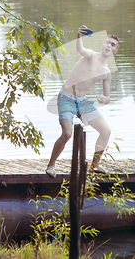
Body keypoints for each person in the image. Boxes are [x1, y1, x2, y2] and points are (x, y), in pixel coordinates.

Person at [45, 25, 120, 177]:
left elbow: (107, 97)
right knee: (67, 133)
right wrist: (79, 35)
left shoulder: (107, 73)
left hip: (82, 101)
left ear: (115, 51)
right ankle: (51, 165)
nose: (109, 46)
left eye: (113, 45)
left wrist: (104, 99)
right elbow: (80, 49)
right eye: (107, 42)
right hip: (66, 97)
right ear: (102, 44)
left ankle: (95, 166)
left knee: (106, 131)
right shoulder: (91, 55)